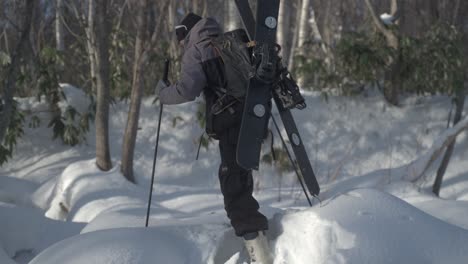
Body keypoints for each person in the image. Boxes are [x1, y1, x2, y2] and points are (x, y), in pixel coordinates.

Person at [156, 13, 273, 263]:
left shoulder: (197, 49)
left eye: (180, 38)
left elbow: (188, 90)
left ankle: (257, 247)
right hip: (254, 116)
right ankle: (257, 236)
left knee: (232, 180)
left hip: (231, 122)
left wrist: (163, 93)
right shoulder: (230, 41)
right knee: (240, 174)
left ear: (185, 33)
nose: (180, 44)